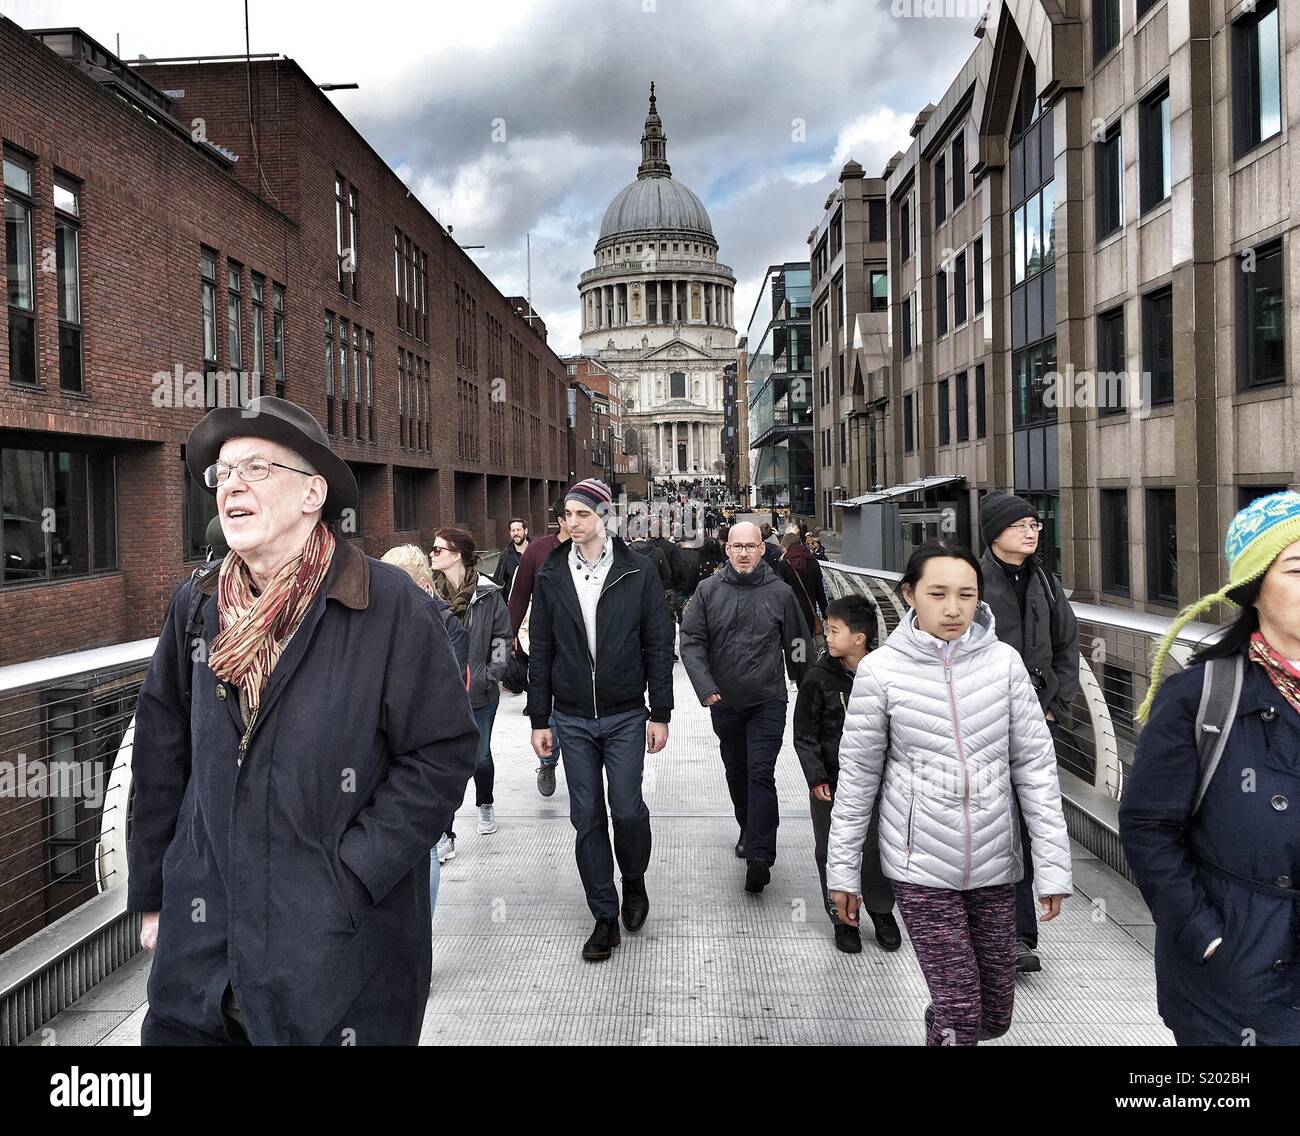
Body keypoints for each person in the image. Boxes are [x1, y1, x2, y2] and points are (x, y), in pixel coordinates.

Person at [128, 396, 477, 1046]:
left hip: (338, 956)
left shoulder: (389, 605)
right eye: (222, 474)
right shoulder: (196, 607)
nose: (230, 485)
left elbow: (440, 755)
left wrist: (351, 873)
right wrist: (157, 889)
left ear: (313, 491)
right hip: (202, 952)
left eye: (255, 468)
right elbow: (159, 753)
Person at [826, 540, 1072, 1046]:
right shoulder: (880, 672)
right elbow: (857, 779)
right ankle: (947, 1027)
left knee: (995, 1016)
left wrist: (1051, 867)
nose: (953, 607)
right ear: (909, 595)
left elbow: (1036, 768)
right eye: (938, 593)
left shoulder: (1003, 664)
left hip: (994, 863)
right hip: (919, 866)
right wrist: (843, 872)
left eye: (966, 594)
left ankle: (938, 1027)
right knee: (962, 1012)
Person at [1121, 491, 1300, 1046]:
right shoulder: (1200, 696)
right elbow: (1148, 826)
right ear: (1253, 589)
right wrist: (1203, 932)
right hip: (1235, 971)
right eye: (1297, 568)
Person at [527, 479, 674, 960]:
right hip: (571, 717)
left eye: (581, 514)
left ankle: (633, 879)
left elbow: (658, 644)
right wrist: (538, 718)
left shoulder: (638, 571)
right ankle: (604, 916)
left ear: (603, 517)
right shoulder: (550, 574)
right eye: (565, 515)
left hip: (626, 713)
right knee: (586, 817)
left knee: (627, 809)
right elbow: (542, 650)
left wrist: (661, 712)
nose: (571, 523)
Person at [978, 490, 1079, 974]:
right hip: (985, 724)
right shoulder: (972, 584)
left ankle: (1018, 934)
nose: (1032, 530)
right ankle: (1009, 932)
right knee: (998, 826)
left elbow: (1067, 647)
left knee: (1033, 820)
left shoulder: (1047, 583)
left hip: (1038, 720)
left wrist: (1057, 708)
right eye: (1020, 524)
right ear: (994, 532)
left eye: (1035, 524)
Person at [680, 521, 810, 893]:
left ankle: (759, 854)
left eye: (750, 546)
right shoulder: (708, 591)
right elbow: (690, 640)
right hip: (725, 701)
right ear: (726, 549)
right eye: (737, 546)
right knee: (737, 770)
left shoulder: (780, 593)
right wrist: (705, 686)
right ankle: (748, 827)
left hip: (768, 699)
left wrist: (807, 685)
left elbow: (798, 643)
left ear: (762, 549)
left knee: (760, 772)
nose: (743, 552)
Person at [793, 594, 901, 954]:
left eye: (835, 631)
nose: (827, 636)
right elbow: (804, 734)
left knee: (875, 848)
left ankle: (881, 910)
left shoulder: (887, 675)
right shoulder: (817, 678)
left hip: (877, 784)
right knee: (830, 848)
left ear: (860, 637)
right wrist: (816, 776)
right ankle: (842, 917)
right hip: (832, 783)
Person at [380, 543, 472, 915]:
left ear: (421, 583)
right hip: (382, 753)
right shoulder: (377, 622)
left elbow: (444, 697)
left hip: (422, 754)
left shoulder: (446, 626)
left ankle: (423, 935)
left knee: (425, 845)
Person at [429, 527, 512, 863]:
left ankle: (485, 803)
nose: (432, 555)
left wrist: (491, 676)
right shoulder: (428, 594)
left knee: (479, 757)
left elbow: (502, 640)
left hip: (480, 692)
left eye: (438, 550)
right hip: (441, 696)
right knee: (445, 765)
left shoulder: (488, 594)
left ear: (457, 554)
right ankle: (445, 833)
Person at [508, 499, 571, 797]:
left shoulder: (598, 548)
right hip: (544, 645)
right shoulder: (537, 551)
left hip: (584, 649)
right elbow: (519, 595)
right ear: (561, 519)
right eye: (573, 515)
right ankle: (547, 761)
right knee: (545, 708)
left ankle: (582, 763)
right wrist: (508, 633)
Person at [775, 531, 828, 652]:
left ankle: (800, 664)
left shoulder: (784, 565)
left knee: (797, 649)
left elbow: (780, 593)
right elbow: (820, 592)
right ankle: (810, 664)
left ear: (787, 546)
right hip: (810, 613)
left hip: (791, 615)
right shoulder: (813, 562)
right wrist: (826, 615)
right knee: (809, 643)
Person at [492, 518, 530, 597]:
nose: (515, 533)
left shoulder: (536, 551)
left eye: (518, 530)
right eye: (513, 531)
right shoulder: (505, 555)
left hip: (535, 603)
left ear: (525, 531)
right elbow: (497, 581)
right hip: (513, 603)